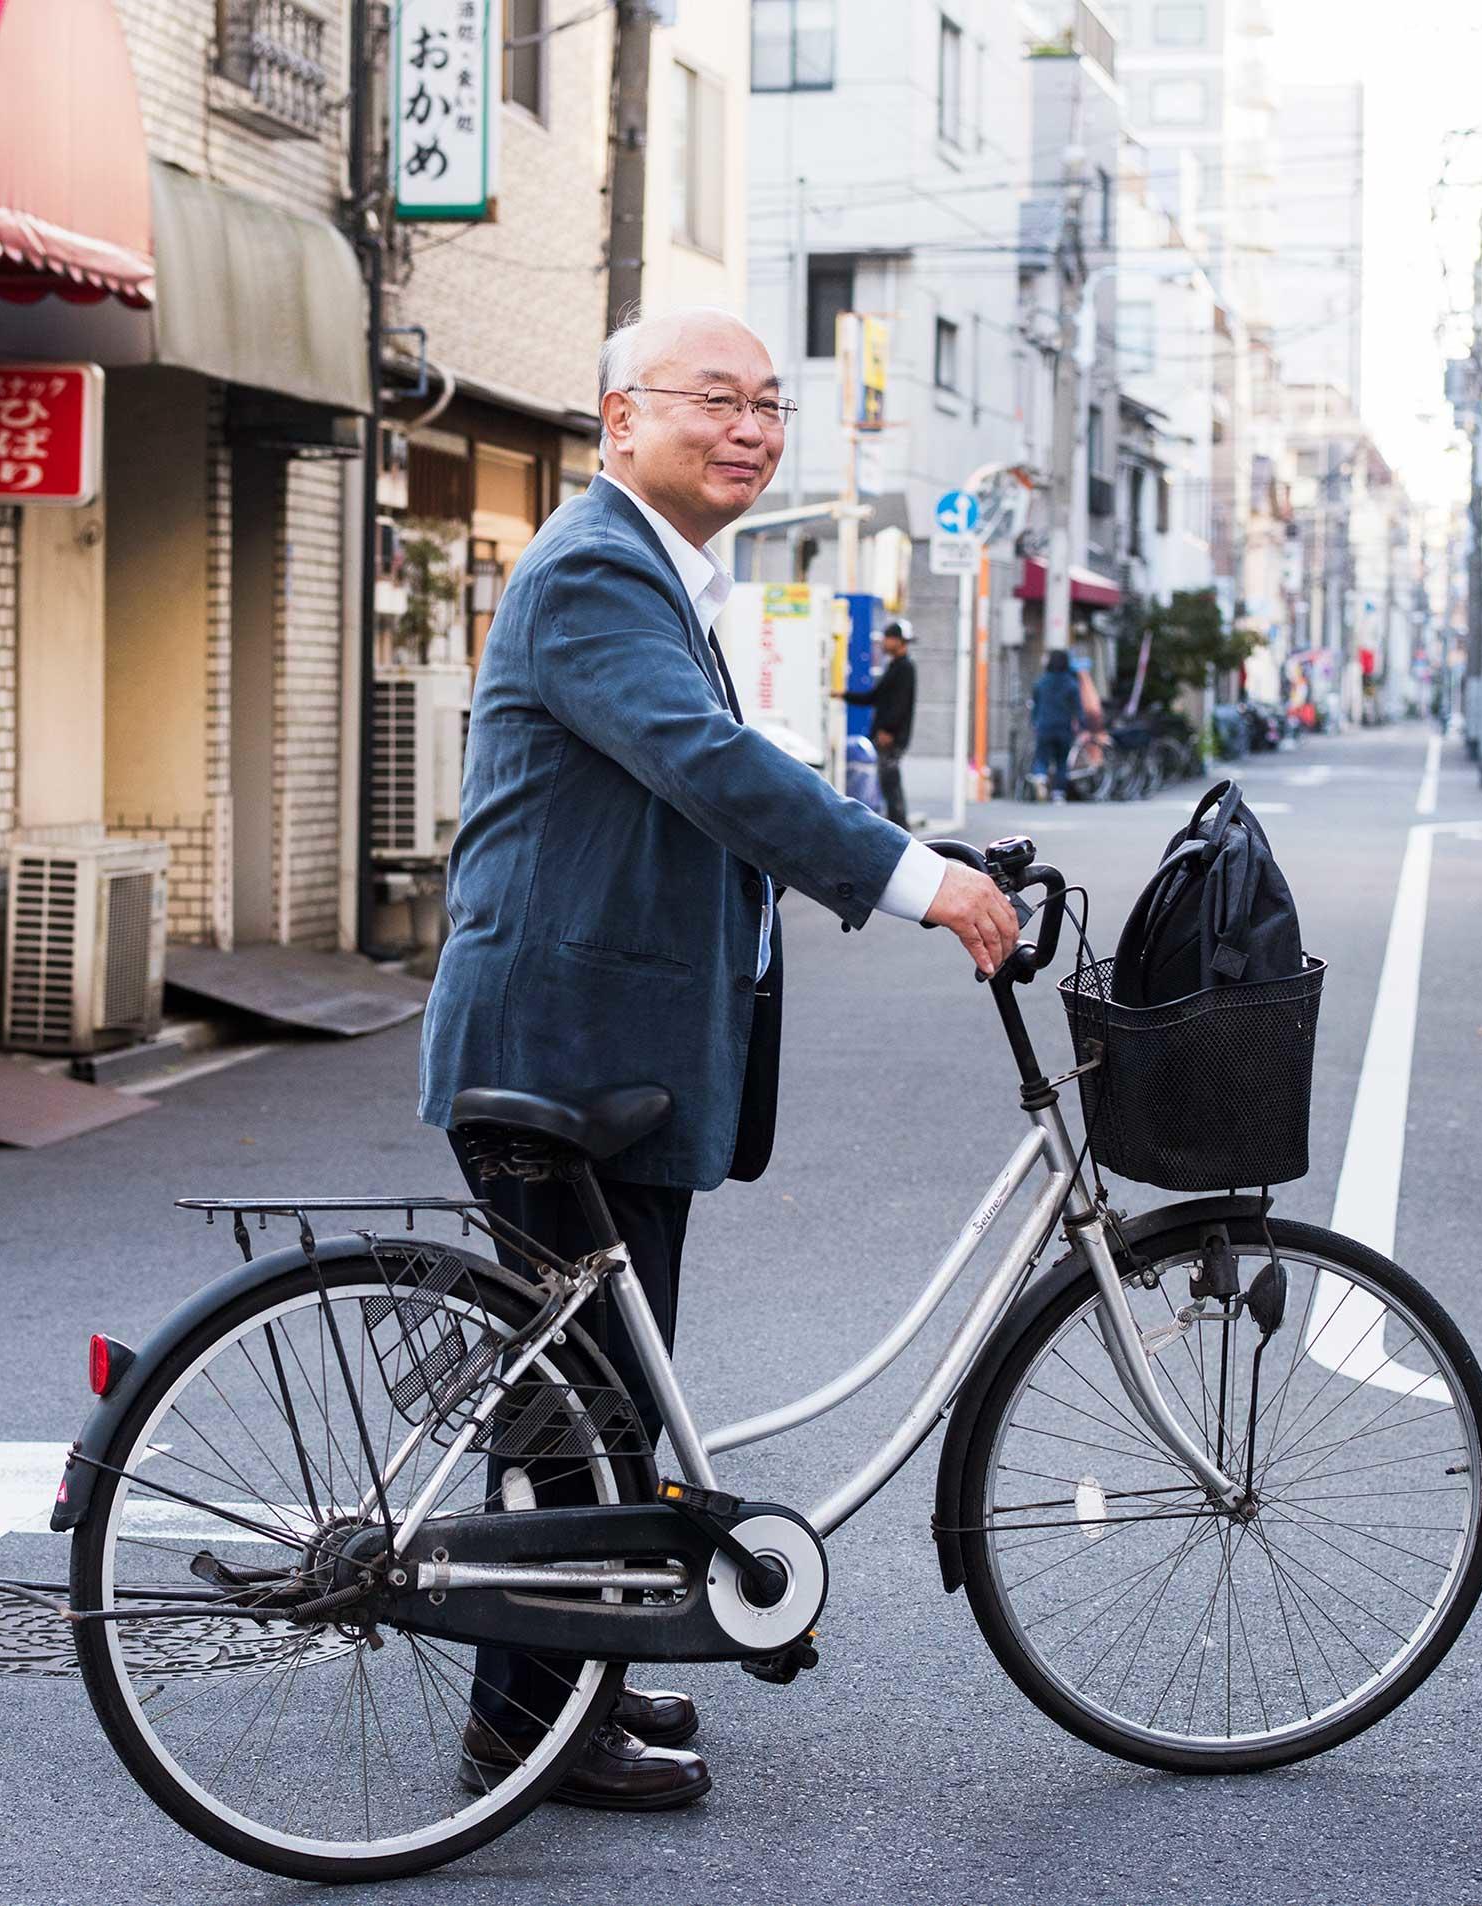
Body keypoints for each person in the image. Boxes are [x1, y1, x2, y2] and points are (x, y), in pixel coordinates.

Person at [419, 307, 1018, 1812]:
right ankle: (528, 1724)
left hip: (604, 1053)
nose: (750, 427)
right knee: (591, 1409)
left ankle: (563, 1691)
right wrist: (914, 877)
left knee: (600, 1398)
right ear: (620, 418)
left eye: (768, 406)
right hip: (557, 1052)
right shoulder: (599, 570)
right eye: (715, 400)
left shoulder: (657, 575)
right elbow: (710, 764)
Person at [844, 616, 916, 828]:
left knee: (890, 785)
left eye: (887, 638)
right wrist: (843, 695)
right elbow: (875, 697)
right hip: (886, 735)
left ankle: (902, 832)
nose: (883, 643)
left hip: (890, 737)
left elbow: (900, 704)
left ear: (898, 641)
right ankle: (899, 830)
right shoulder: (895, 666)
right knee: (888, 785)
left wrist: (888, 730)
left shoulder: (905, 668)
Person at [1029, 649, 1086, 799]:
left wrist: (1034, 722)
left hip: (1044, 725)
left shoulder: (1041, 682)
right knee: (1061, 761)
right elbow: (1078, 708)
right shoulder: (1071, 683)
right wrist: (1082, 725)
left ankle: (1040, 776)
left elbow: (1036, 705)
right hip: (1064, 727)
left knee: (1042, 757)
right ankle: (1058, 793)